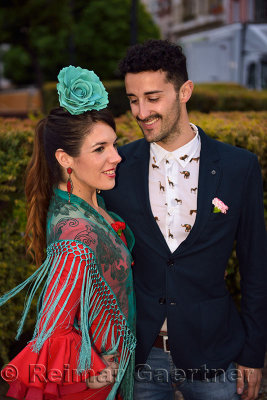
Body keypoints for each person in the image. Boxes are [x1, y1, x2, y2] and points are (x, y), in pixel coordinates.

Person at [101, 40, 267, 400]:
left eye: (153, 97)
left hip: (216, 355)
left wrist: (254, 354)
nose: (141, 112)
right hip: (140, 356)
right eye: (132, 99)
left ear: (184, 91)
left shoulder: (239, 168)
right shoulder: (117, 168)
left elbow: (256, 267)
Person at [0, 66, 136, 400]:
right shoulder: (75, 233)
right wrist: (107, 373)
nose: (116, 157)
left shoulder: (90, 204)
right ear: (65, 159)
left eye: (113, 145)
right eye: (100, 148)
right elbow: (53, 328)